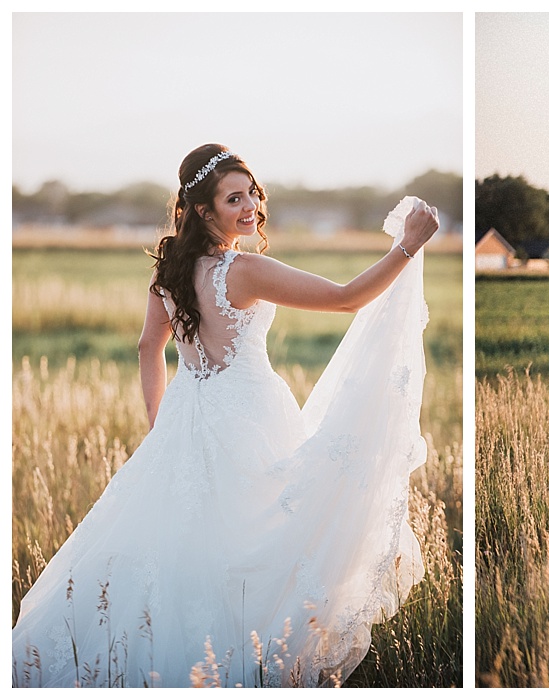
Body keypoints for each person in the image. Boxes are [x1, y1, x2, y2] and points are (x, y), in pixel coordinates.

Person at [12, 144, 440, 687]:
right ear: (203, 211)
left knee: (176, 550)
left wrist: (160, 422)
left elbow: (149, 347)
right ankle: (243, 668)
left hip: (187, 417)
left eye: (252, 196)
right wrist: (406, 247)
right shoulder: (243, 270)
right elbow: (346, 298)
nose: (249, 209)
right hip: (251, 416)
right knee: (262, 547)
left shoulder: (170, 268)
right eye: (233, 198)